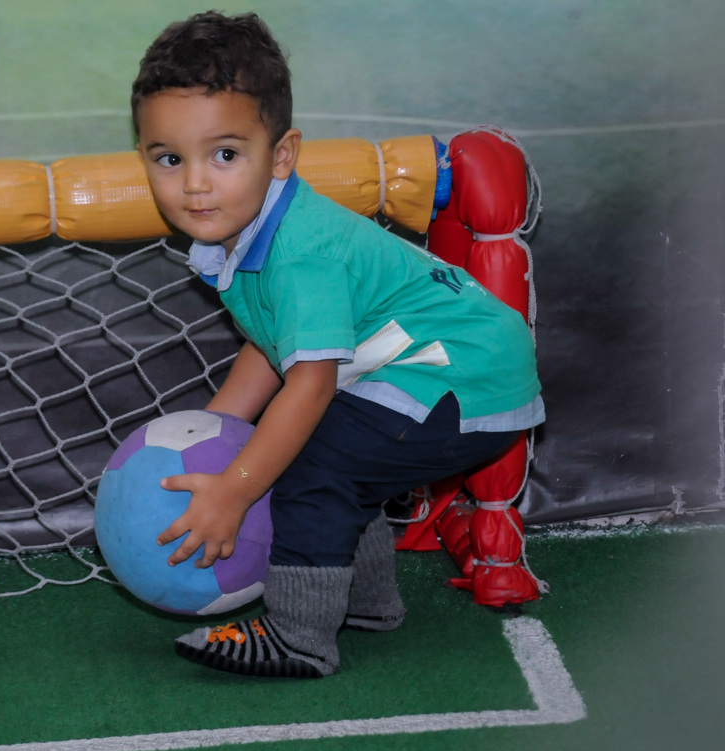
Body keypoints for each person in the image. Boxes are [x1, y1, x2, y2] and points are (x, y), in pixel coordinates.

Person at [131, 11, 543, 678]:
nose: (196, 183)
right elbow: (273, 343)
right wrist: (215, 433)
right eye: (170, 159)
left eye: (225, 154)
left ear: (282, 155)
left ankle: (299, 635)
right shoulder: (243, 230)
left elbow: (312, 383)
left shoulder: (301, 253)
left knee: (311, 464)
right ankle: (364, 601)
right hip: (452, 367)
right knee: (339, 462)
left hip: (459, 375)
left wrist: (236, 487)